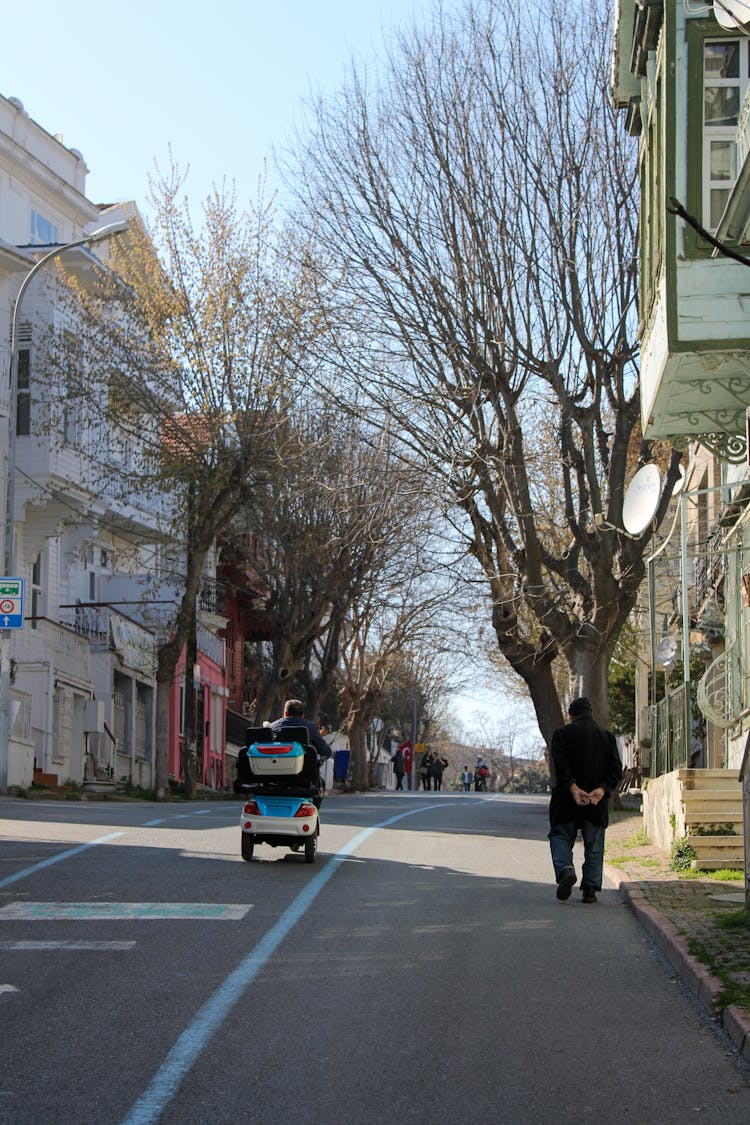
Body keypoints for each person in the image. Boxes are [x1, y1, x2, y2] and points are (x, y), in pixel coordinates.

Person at [548, 696, 623, 904]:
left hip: (566, 800)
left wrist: (573, 788)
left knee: (560, 835)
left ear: (571, 715)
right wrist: (601, 790)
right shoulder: (607, 737)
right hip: (595, 802)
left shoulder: (561, 735)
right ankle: (590, 889)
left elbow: (560, 766)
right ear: (591, 714)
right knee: (594, 845)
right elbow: (616, 770)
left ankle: (565, 870)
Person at [270, 699, 334, 808]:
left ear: (285, 714)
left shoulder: (271, 727)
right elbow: (326, 751)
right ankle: (315, 811)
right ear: (303, 715)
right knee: (321, 784)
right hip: (304, 778)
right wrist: (320, 760)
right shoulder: (310, 727)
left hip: (273, 777)